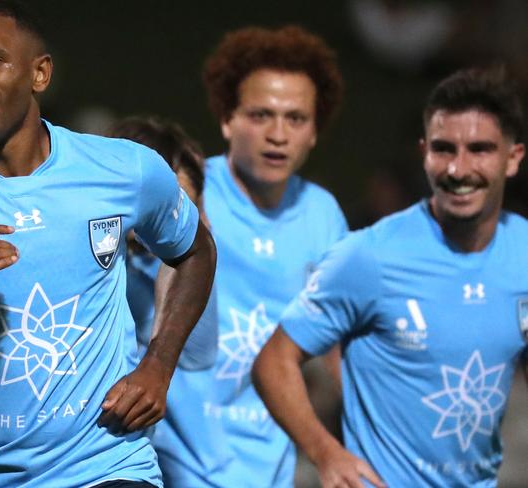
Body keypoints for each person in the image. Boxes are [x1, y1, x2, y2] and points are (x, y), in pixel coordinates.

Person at [0, 1, 216, 487]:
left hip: (108, 466)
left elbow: (194, 250)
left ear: (40, 74)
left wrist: (158, 366)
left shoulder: (123, 170)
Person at [253, 67, 527, 487]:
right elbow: (274, 361)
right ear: (424, 152)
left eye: (480, 149)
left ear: (513, 158)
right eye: (443, 148)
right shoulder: (371, 255)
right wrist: (326, 454)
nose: (458, 168)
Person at [191, 25, 348, 487]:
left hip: (269, 458)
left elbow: (341, 345)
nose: (278, 134)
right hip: (171, 455)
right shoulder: (189, 192)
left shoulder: (323, 214)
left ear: (315, 131)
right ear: (227, 119)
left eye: (296, 119)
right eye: (261, 115)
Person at [109, 116, 232, 487]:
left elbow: (198, 352)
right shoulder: (94, 260)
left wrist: (190, 241)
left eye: (183, 208)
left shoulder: (170, 268)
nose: (167, 223)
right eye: (161, 204)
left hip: (186, 468)